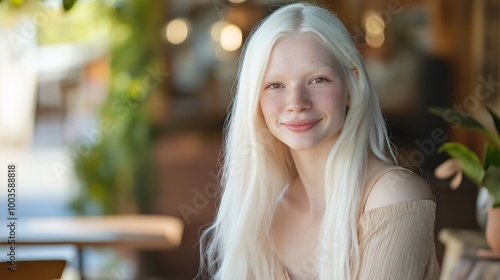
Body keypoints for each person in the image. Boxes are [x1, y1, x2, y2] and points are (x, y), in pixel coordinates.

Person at [199, 2, 440, 279]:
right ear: (255, 101)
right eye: (275, 85)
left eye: (318, 80)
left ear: (352, 87)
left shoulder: (392, 197)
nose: (296, 103)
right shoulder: (265, 209)